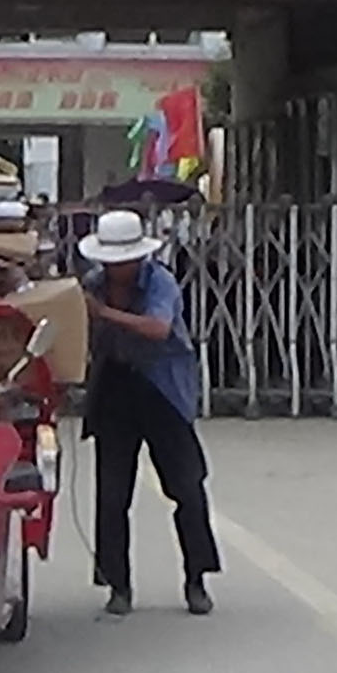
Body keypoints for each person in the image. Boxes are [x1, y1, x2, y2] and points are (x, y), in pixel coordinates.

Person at [77, 207, 217, 618]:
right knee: (112, 494)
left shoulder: (160, 282)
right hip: (115, 386)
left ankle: (196, 579)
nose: (114, 269)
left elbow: (158, 327)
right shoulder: (93, 285)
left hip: (163, 390)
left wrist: (105, 314)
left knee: (187, 488)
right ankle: (117, 584)